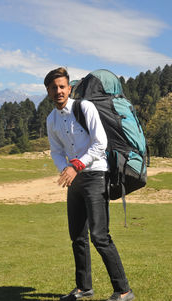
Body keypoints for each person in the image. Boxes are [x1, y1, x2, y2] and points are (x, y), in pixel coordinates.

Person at [45, 67, 135, 301]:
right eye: (54, 87)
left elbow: (100, 144)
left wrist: (75, 165)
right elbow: (55, 151)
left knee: (99, 236)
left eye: (62, 86)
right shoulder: (51, 119)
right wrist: (64, 169)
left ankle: (123, 290)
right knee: (77, 236)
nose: (58, 91)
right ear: (48, 91)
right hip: (74, 179)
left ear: (69, 88)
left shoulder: (84, 107)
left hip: (95, 175)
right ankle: (83, 288)